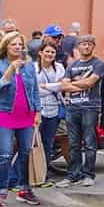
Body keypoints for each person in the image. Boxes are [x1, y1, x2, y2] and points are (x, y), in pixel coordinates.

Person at [0, 32, 42, 207]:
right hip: (3, 114)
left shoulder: (28, 66)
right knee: (4, 154)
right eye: (14, 45)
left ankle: (24, 189)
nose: (18, 47)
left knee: (25, 153)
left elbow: (34, 90)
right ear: (6, 47)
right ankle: (1, 191)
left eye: (20, 44)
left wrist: (37, 111)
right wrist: (11, 69)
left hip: (26, 115)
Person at [55, 35, 104, 188]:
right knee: (73, 143)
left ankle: (88, 174)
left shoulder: (98, 63)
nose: (86, 47)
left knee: (90, 142)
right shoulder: (72, 65)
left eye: (90, 44)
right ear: (78, 47)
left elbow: (91, 82)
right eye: (83, 44)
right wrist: (80, 85)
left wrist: (73, 84)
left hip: (90, 107)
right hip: (72, 107)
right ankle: (72, 175)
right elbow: (63, 85)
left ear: (93, 46)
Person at [35, 40, 67, 184]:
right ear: (40, 53)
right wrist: (52, 87)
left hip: (54, 111)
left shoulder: (59, 67)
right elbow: (34, 90)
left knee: (48, 144)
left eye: (52, 52)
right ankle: (33, 173)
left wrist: (45, 86)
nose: (49, 54)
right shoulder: (33, 68)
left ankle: (44, 174)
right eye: (47, 51)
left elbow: (63, 86)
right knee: (35, 144)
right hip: (37, 111)